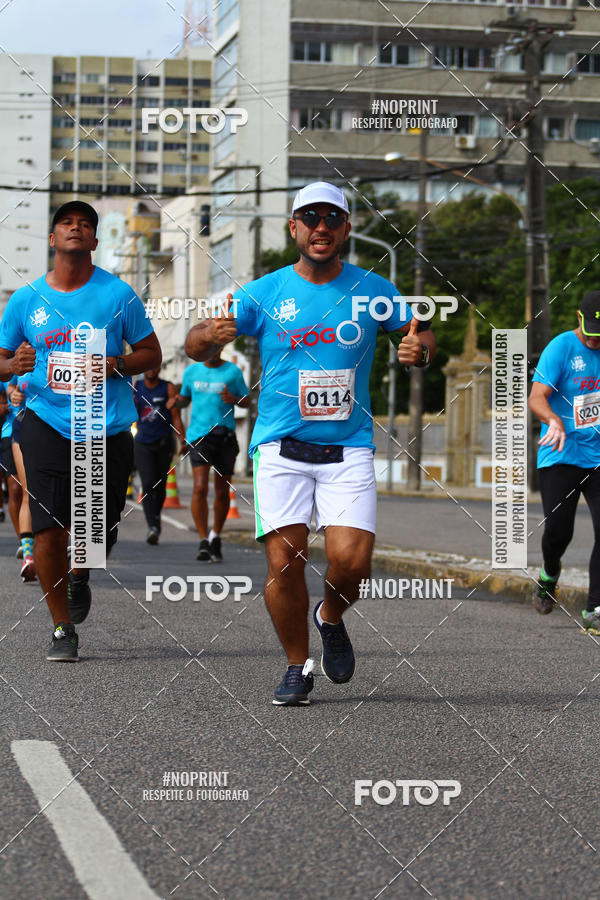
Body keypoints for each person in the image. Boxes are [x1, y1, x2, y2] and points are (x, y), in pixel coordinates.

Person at [184, 181, 436, 705]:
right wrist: (210, 336)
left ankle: (330, 616)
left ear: (345, 229)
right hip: (281, 448)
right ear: (294, 227)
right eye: (310, 218)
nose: (321, 227)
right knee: (285, 561)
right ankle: (297, 665)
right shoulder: (264, 292)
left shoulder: (375, 289)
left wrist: (420, 348)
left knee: (352, 563)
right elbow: (194, 341)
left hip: (348, 448)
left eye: (332, 219)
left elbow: (420, 331)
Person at [0, 200, 161, 661]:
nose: (76, 228)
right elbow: (0, 359)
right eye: (66, 223)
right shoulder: (26, 299)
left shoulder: (118, 295)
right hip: (45, 422)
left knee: (97, 533)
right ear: (53, 239)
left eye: (85, 225)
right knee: (49, 526)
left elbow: (151, 354)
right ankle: (60, 627)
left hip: (103, 426)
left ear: (94, 241)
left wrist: (116, 363)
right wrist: (13, 363)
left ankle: (81, 572)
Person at [529, 290, 600, 630]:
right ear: (579, 317)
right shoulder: (560, 347)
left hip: (598, 456)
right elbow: (537, 397)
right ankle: (549, 571)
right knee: (559, 531)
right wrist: (553, 419)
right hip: (560, 453)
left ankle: (595, 608)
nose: (595, 341)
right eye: (591, 333)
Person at [168, 349, 249, 562]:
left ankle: (216, 535)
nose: (213, 351)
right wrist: (176, 401)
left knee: (222, 492)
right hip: (199, 436)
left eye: (217, 347)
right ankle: (203, 540)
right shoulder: (191, 372)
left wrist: (234, 398)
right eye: (209, 347)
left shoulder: (233, 372)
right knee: (200, 487)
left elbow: (247, 400)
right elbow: (185, 399)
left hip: (225, 436)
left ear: (221, 347)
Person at [133, 366, 185, 544]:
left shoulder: (167, 387)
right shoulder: (137, 386)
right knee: (147, 483)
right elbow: (128, 413)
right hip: (142, 443)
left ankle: (156, 517)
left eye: (155, 366)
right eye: (149, 367)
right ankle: (152, 525)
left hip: (163, 443)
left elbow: (176, 416)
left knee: (160, 485)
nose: (151, 370)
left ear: (160, 368)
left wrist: (182, 440)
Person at [7, 375, 36, 581]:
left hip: (62, 427)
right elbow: (9, 383)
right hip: (23, 424)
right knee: (26, 492)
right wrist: (13, 393)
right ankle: (28, 556)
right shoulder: (24, 352)